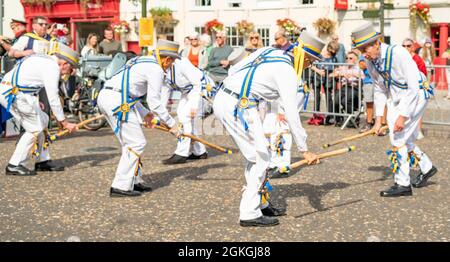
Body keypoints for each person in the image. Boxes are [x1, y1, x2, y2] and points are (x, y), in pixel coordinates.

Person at [213, 31, 321, 227]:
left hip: (233, 99)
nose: (309, 66)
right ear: (303, 56)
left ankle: (259, 203)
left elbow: (233, 70)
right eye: (310, 61)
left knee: (260, 154)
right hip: (239, 105)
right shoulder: (288, 72)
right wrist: (304, 150)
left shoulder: (269, 51)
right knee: (260, 156)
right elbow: (291, 113)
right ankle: (249, 213)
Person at [351, 22, 437, 197]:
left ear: (377, 43)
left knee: (398, 138)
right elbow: (379, 89)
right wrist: (378, 120)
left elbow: (413, 87)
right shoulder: (370, 61)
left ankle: (403, 184)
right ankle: (427, 167)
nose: (364, 54)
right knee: (405, 138)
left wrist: (402, 117)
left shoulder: (398, 53)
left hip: (418, 94)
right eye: (360, 50)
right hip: (398, 96)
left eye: (365, 48)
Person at [97, 40, 181, 197]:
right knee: (136, 143)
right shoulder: (156, 69)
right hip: (118, 101)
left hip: (111, 96)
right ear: (167, 59)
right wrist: (172, 125)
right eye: (172, 62)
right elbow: (154, 102)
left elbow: (129, 91)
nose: (171, 66)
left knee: (130, 143)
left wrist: (145, 114)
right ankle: (120, 186)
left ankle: (134, 179)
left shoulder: (141, 60)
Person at [0, 42, 79, 176]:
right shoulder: (52, 67)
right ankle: (14, 164)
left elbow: (28, 79)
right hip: (13, 94)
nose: (68, 73)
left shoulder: (44, 59)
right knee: (34, 128)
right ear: (64, 64)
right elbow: (53, 97)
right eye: (70, 70)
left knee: (44, 119)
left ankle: (42, 160)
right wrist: (64, 122)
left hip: (19, 93)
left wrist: (35, 100)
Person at [160, 56, 213, 164]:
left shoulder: (181, 63)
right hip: (187, 91)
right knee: (183, 116)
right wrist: (158, 114)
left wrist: (194, 105)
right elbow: (165, 92)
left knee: (185, 117)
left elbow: (197, 83)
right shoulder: (162, 70)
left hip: (202, 89)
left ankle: (181, 153)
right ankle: (200, 152)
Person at [309, 41, 339, 125]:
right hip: (317, 77)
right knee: (317, 98)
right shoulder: (319, 55)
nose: (333, 53)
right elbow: (311, 65)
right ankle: (316, 116)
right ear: (329, 48)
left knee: (329, 98)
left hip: (328, 78)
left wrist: (334, 73)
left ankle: (330, 117)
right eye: (332, 51)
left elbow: (336, 67)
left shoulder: (334, 58)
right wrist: (318, 71)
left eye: (335, 51)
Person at [333, 51, 365, 126]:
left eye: (350, 58)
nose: (348, 59)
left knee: (345, 101)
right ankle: (338, 120)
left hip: (354, 87)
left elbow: (363, 77)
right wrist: (341, 73)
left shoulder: (358, 68)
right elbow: (331, 74)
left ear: (355, 60)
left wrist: (352, 74)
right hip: (345, 87)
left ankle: (353, 118)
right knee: (336, 101)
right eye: (346, 58)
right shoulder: (343, 67)